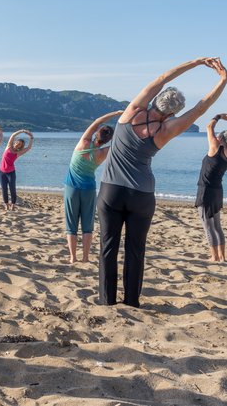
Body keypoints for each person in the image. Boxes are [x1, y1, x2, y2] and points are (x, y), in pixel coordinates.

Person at [98, 57, 227, 308]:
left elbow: (162, 79)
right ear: (171, 112)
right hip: (142, 195)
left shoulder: (131, 112)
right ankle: (132, 302)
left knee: (108, 247)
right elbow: (200, 109)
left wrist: (197, 62)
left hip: (111, 191)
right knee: (135, 250)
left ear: (157, 100)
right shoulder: (166, 129)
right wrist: (223, 81)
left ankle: (106, 301)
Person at [64, 111, 122, 263]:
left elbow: (97, 120)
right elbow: (120, 142)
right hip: (89, 188)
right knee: (87, 224)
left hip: (72, 188)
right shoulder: (104, 152)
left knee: (71, 224)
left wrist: (116, 113)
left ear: (97, 133)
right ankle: (85, 258)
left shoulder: (84, 142)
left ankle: (72, 257)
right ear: (108, 139)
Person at [195, 113, 227, 262]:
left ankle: (214, 257)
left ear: (220, 140)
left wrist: (218, 116)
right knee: (217, 226)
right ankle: (222, 257)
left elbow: (209, 127)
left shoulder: (215, 148)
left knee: (208, 226)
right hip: (217, 192)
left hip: (206, 191)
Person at [0, 129, 33, 211]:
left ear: (21, 146)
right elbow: (13, 135)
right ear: (15, 142)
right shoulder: (8, 147)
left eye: (20, 144)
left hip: (11, 173)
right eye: (18, 142)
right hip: (2, 172)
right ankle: (6, 205)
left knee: (12, 188)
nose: (18, 144)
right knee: (4, 189)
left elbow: (29, 148)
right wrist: (21, 131)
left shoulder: (18, 153)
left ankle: (13, 205)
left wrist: (31, 137)